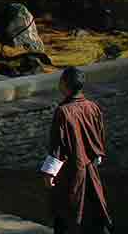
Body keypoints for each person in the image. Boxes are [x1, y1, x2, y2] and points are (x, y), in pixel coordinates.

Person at [46, 64, 114, 232]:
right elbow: (99, 139)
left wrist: (50, 173)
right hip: (91, 170)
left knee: (67, 214)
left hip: (71, 173)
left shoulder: (63, 111)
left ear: (64, 84)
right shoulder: (93, 107)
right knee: (94, 209)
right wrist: (95, 161)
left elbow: (58, 145)